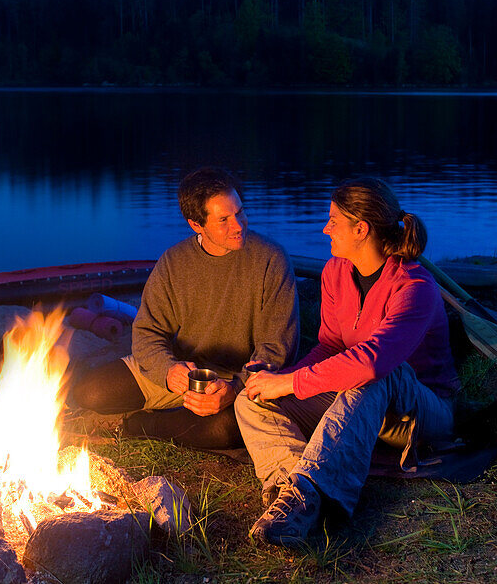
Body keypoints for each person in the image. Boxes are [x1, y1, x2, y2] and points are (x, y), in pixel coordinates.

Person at [235, 177, 459, 546]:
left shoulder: (414, 287)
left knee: (377, 374)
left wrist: (291, 383)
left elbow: (372, 363)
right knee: (252, 399)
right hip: (360, 403)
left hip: (421, 410)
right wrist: (278, 378)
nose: (325, 229)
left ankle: (311, 491)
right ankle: (292, 495)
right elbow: (329, 346)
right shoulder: (335, 273)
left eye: (334, 221)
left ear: (361, 229)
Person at [69, 167, 299, 449]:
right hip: (186, 372)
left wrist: (234, 388)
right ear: (196, 225)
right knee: (90, 393)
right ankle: (181, 415)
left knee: (224, 430)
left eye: (240, 212)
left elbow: (276, 347)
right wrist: (168, 370)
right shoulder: (174, 262)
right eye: (224, 219)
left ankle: (145, 425)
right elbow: (147, 331)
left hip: (241, 379)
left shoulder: (270, 259)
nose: (238, 225)